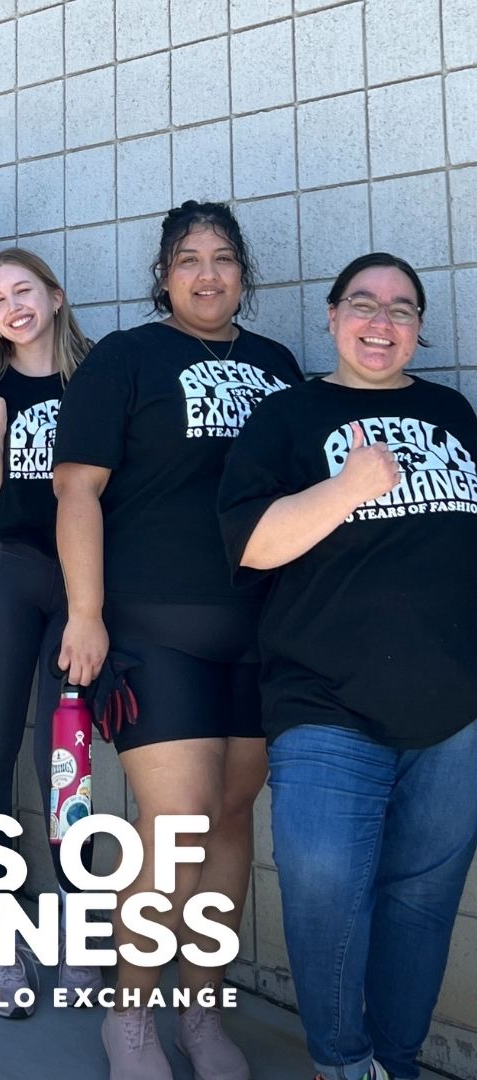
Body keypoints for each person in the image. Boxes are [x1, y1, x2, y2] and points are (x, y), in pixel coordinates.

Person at [52, 200, 303, 1080]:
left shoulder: (278, 366)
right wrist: (87, 615)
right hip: (157, 626)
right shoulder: (127, 357)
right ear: (163, 274)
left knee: (233, 820)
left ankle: (201, 1014)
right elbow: (77, 491)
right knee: (178, 823)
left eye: (224, 257)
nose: (208, 273)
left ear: (245, 272)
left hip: (261, 630)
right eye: (188, 258)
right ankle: (130, 1018)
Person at [218, 253, 477, 1080]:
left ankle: (394, 1064)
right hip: (324, 702)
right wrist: (350, 487)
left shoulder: (452, 410)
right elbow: (252, 545)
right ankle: (342, 1063)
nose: (382, 320)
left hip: (454, 710)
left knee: (422, 904)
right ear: (331, 318)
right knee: (326, 894)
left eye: (402, 309)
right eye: (363, 304)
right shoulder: (288, 417)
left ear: (418, 330)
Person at [0, 248, 100, 1016]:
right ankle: (1, 935)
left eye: (25, 289)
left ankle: (78, 932)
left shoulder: (101, 379)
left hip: (76, 592)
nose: (13, 304)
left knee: (65, 768)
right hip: (6, 578)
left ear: (55, 293)